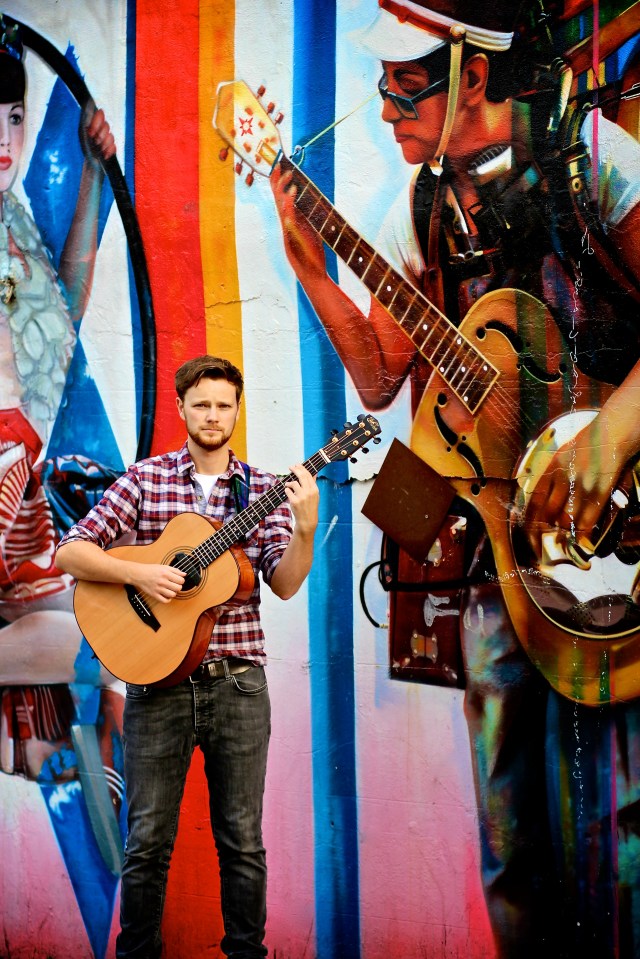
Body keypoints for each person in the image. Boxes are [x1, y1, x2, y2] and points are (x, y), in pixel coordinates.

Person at [271, 2, 640, 956]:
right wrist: (312, 271)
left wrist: (608, 438)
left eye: (405, 85)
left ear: (472, 76)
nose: (387, 108)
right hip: (499, 549)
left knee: (625, 820)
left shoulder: (587, 156)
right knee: (511, 833)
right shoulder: (420, 207)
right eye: (382, 87)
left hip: (621, 530)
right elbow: (382, 376)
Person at [56, 354, 320, 959]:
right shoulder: (146, 480)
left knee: (243, 841)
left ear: (237, 410)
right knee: (147, 840)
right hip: (157, 687)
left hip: (239, 686)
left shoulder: (262, 490)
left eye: (224, 404)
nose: (212, 415)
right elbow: (71, 551)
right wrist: (141, 574)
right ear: (181, 408)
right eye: (201, 403)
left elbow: (282, 582)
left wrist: (304, 530)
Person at [0, 17, 119, 781]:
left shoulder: (9, 221)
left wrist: (95, 177)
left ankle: (53, 749)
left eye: (12, 114)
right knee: (83, 637)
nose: (5, 136)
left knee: (90, 635)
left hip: (22, 475)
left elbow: (62, 319)